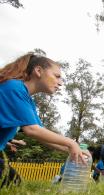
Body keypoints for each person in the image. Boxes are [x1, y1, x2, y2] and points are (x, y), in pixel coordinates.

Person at [0, 53, 89, 188]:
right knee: (12, 184)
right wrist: (71, 143)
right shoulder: (14, 88)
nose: (60, 83)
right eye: (57, 76)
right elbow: (32, 130)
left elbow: (42, 136)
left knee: (14, 184)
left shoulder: (27, 100)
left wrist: (73, 150)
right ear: (38, 71)